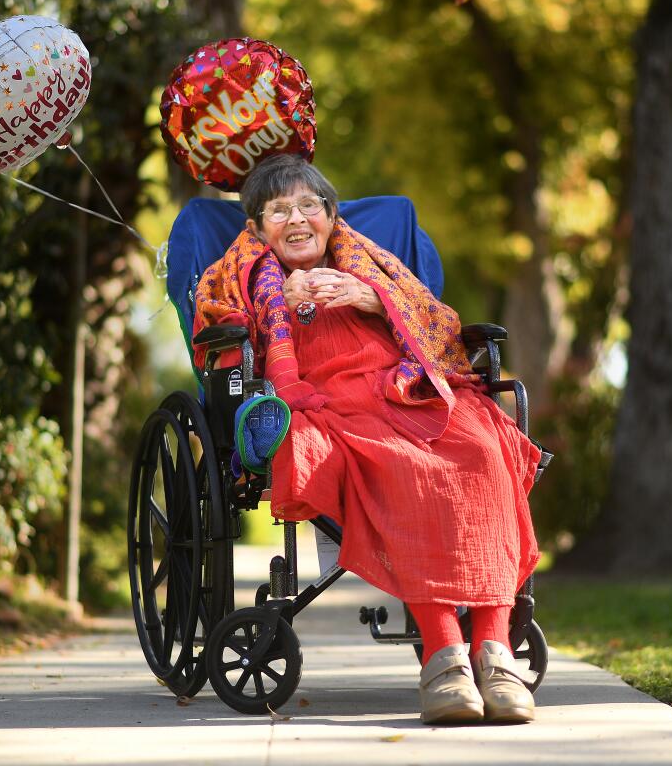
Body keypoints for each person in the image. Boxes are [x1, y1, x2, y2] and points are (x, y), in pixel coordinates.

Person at [192, 155, 544, 725]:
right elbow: (223, 349)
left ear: (332, 216)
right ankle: (443, 656)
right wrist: (282, 298)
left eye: (310, 205)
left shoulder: (370, 265)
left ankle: (496, 652)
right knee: (407, 468)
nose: (298, 219)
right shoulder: (243, 274)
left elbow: (440, 326)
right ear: (256, 227)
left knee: (483, 447)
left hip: (408, 388)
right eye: (279, 210)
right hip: (326, 399)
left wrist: (372, 299)